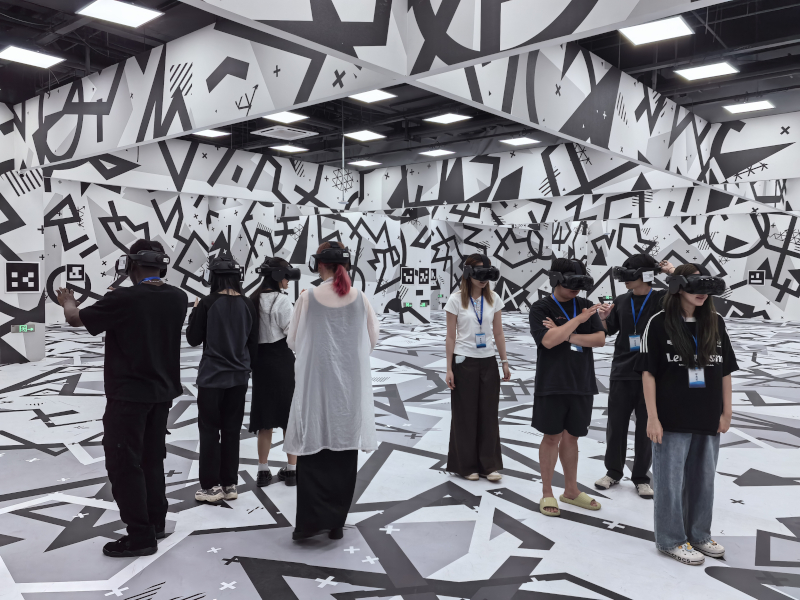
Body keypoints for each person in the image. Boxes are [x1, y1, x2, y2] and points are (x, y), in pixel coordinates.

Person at [56, 240, 187, 557]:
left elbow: (75, 319)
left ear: (130, 265)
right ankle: (155, 523)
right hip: (162, 395)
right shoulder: (179, 297)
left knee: (124, 464)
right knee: (152, 460)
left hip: (128, 396)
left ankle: (140, 536)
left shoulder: (123, 298)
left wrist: (68, 301)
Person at [637, 264, 737, 566]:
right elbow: (648, 373)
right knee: (669, 483)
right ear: (678, 287)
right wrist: (652, 417)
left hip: (708, 417)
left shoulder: (716, 322)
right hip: (671, 419)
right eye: (695, 287)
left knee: (703, 482)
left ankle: (699, 535)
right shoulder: (658, 322)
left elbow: (725, 370)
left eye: (707, 288)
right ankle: (670, 540)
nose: (702, 294)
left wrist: (726, 411)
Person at [284, 241, 379, 541]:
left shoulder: (307, 297)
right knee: (343, 450)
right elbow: (372, 339)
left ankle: (309, 524)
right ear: (346, 266)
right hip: (349, 391)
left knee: (313, 449)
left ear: (318, 265)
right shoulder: (360, 298)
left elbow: (292, 341)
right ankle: (336, 523)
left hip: (315, 388)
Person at [594, 255, 675, 498]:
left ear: (645, 275)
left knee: (646, 428)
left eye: (630, 275)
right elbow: (610, 330)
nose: (625, 280)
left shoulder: (663, 299)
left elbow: (690, 292)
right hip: (621, 371)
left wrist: (671, 272)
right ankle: (613, 472)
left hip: (651, 374)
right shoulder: (621, 300)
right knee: (616, 425)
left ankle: (641, 477)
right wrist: (603, 320)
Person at [530, 258, 605, 517]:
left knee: (572, 437)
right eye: (571, 282)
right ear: (555, 279)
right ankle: (547, 492)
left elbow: (599, 339)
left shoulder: (584, 303)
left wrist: (566, 333)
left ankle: (571, 490)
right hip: (552, 383)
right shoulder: (541, 307)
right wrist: (579, 320)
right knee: (551, 437)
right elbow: (548, 341)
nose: (576, 288)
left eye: (580, 283)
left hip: (581, 382)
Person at [186, 251, 258, 503]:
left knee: (209, 431)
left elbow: (193, 339)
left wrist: (194, 312)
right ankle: (229, 484)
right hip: (239, 378)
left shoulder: (207, 303)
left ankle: (210, 487)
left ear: (212, 277)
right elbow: (253, 345)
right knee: (231, 431)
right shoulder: (248, 304)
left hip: (211, 378)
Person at [444, 254, 511, 481]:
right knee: (465, 415)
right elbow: (450, 337)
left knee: (488, 414)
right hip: (464, 361)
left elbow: (498, 333)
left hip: (488, 361)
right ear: (468, 273)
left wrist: (504, 362)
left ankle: (488, 465)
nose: (483, 279)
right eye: (479, 274)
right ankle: (466, 466)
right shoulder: (455, 300)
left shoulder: (494, 299)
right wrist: (448, 368)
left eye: (487, 274)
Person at [248, 257, 301, 487]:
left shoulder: (252, 299)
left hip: (260, 363)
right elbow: (292, 333)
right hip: (282, 361)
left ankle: (262, 470)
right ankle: (292, 470)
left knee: (264, 418)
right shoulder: (282, 301)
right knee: (289, 417)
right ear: (278, 276)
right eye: (286, 276)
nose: (288, 281)